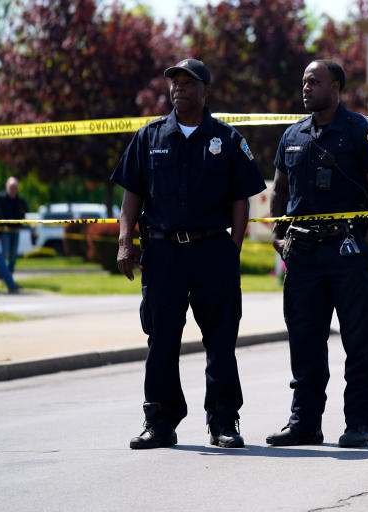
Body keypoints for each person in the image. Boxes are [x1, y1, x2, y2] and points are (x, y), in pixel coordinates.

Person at [111, 58, 266, 450]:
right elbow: (132, 196)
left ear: (205, 91)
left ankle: (223, 421)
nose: (179, 88)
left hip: (213, 250)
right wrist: (125, 241)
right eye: (174, 82)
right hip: (163, 254)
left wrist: (233, 249)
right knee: (161, 339)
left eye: (188, 82)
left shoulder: (227, 139)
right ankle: (160, 422)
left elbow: (241, 200)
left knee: (220, 340)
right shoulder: (149, 137)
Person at [265, 60, 368, 449]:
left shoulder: (363, 132)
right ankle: (304, 423)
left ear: (336, 86)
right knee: (304, 343)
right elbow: (279, 190)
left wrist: (365, 246)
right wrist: (277, 234)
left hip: (348, 252)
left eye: (315, 81)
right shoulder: (293, 135)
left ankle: (359, 424)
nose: (306, 87)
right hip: (303, 256)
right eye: (304, 81)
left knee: (358, 345)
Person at [0, 177, 29, 276]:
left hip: (16, 231)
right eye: (11, 187)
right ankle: (1, 275)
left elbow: (24, 214)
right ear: (7, 187)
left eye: (15, 187)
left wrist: (21, 224)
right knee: (4, 254)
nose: (13, 190)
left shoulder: (21, 201)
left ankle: (10, 275)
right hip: (4, 231)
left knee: (13, 256)